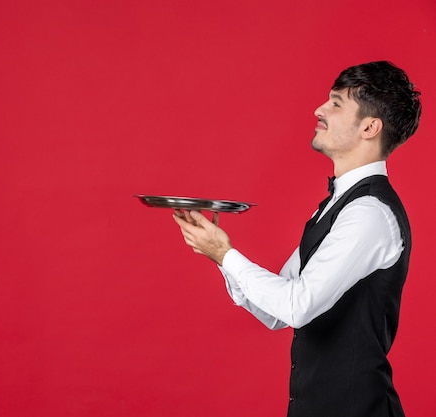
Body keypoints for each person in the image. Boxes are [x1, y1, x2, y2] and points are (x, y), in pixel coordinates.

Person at [172, 61, 421, 417]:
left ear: (370, 127)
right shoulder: (336, 206)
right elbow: (276, 312)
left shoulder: (368, 213)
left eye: (336, 104)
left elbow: (296, 306)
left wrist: (226, 255)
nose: (319, 110)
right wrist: (218, 255)